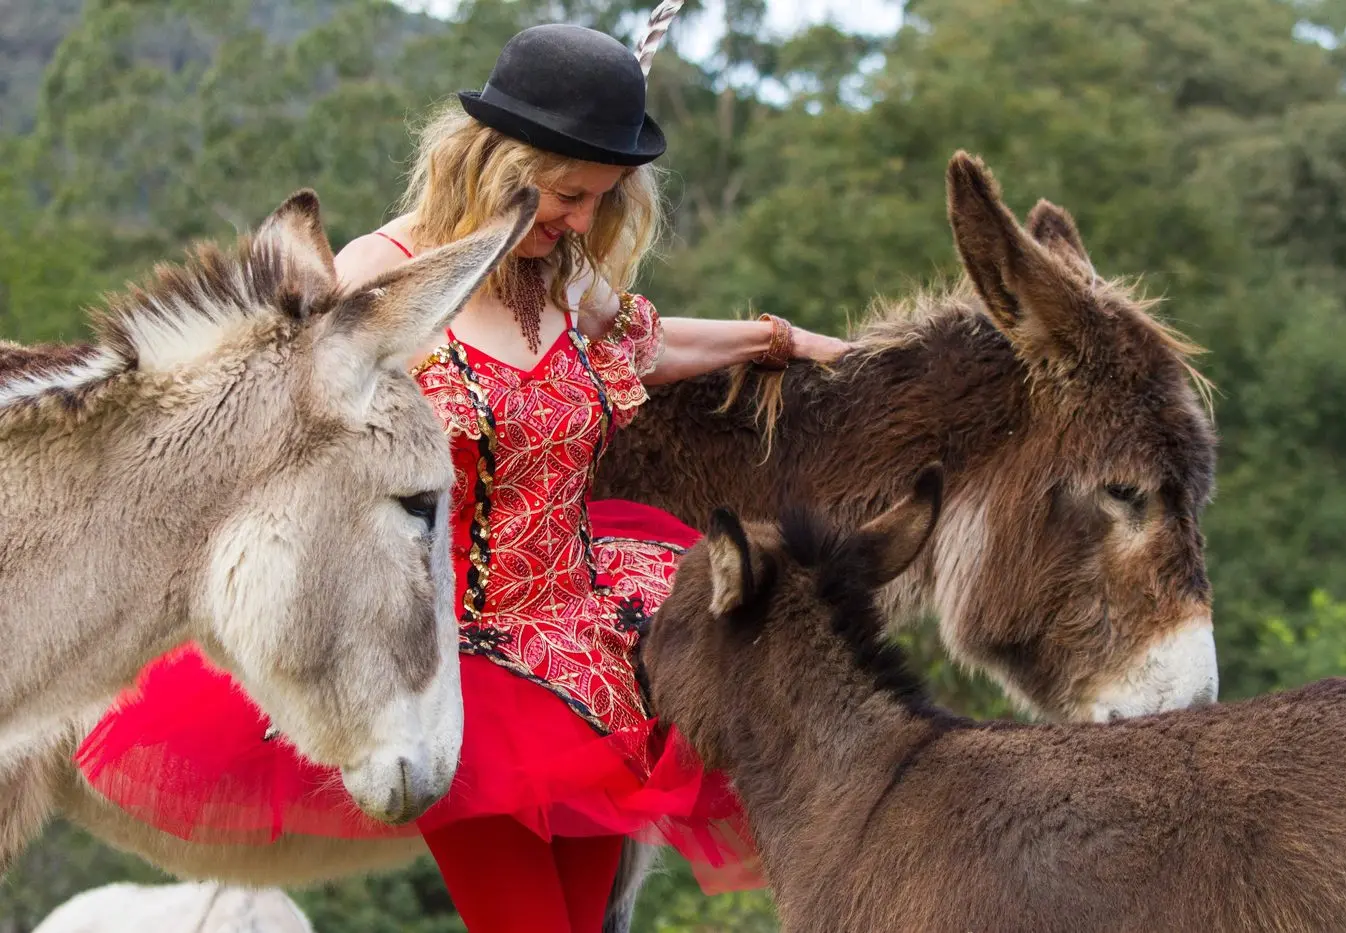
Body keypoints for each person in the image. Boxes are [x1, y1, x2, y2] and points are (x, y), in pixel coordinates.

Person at [74, 22, 849, 933]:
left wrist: (781, 341)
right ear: (495, 164)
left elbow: (654, 340)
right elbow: (274, 401)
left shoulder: (562, 278)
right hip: (459, 660)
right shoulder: (380, 274)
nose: (581, 223)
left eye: (599, 201)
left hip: (591, 653)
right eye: (566, 195)